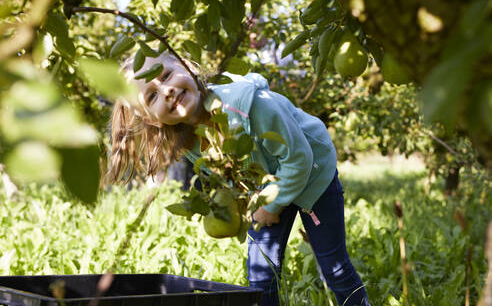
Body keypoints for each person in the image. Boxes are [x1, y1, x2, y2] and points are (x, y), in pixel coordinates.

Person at [107, 52, 370, 306]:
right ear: (151, 120)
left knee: (332, 265)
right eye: (152, 96)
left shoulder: (251, 105)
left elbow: (298, 158)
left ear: (186, 65)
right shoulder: (187, 138)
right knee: (259, 276)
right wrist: (236, 204)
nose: (167, 91)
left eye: (166, 76)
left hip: (312, 174)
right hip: (266, 187)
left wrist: (270, 206)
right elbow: (227, 174)